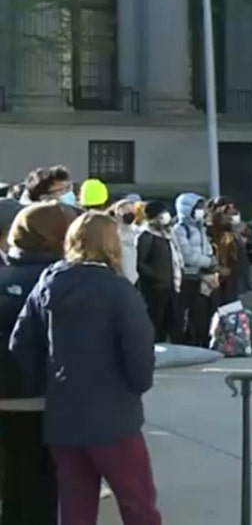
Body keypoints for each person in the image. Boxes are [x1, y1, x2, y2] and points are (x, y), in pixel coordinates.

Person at [10, 212, 161, 525]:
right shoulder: (118, 290)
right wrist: (138, 384)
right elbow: (138, 350)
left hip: (64, 416)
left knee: (75, 505)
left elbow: (21, 343)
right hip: (114, 416)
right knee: (138, 504)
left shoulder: (48, 283)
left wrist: (47, 379)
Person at [0, 202, 74, 525]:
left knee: (12, 487)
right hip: (48, 400)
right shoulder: (65, 282)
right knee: (42, 488)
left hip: (6, 399)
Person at [171, 193, 218, 346]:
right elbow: (187, 255)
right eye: (197, 207)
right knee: (194, 312)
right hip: (190, 276)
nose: (201, 211)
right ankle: (192, 341)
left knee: (206, 312)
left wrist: (212, 261)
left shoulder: (200, 228)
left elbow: (207, 248)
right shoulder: (180, 229)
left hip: (204, 276)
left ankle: (205, 340)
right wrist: (208, 261)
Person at [136, 202, 183, 343]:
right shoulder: (146, 235)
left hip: (171, 286)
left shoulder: (167, 234)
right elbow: (140, 263)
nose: (165, 216)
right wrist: (157, 277)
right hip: (155, 289)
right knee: (155, 323)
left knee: (172, 323)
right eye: (161, 213)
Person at [108, 199, 141, 285]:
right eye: (126, 209)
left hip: (135, 275)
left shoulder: (136, 231)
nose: (130, 212)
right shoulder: (112, 231)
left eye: (132, 209)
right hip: (120, 275)